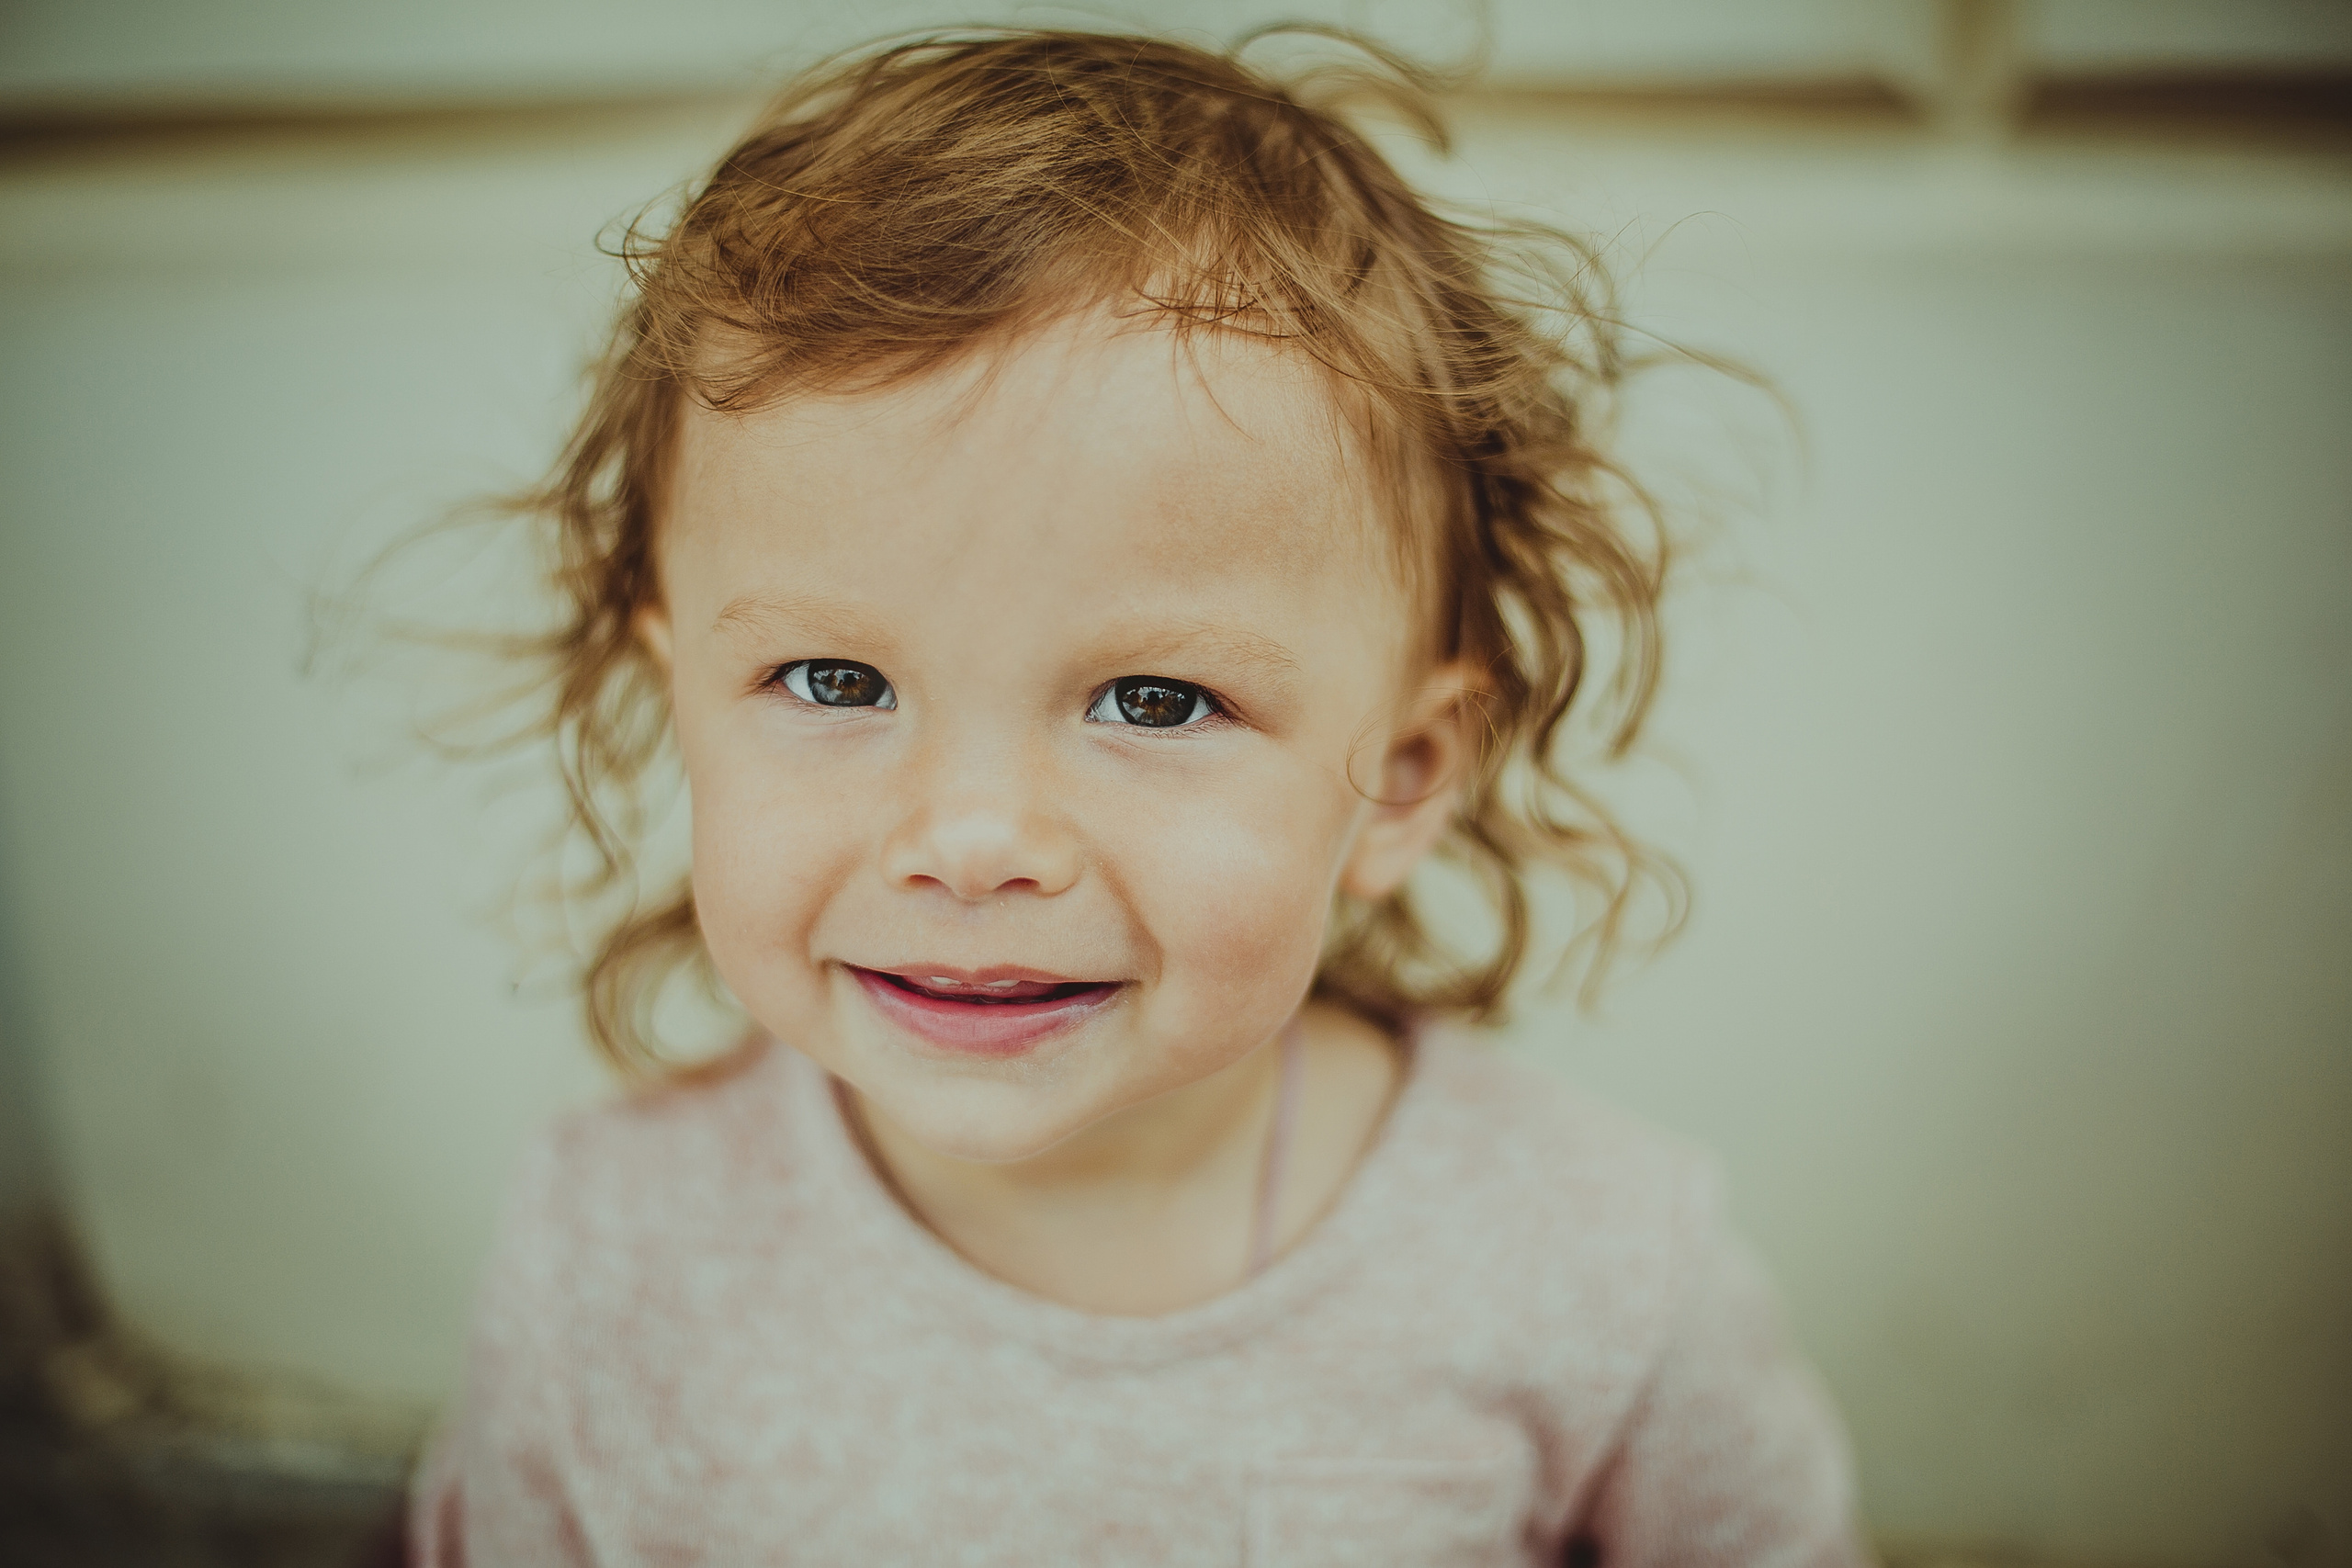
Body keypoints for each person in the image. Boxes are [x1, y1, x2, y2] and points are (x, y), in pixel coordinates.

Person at [409, 28, 1868, 1566]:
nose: (972, 841)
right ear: (677, 706)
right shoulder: (607, 1259)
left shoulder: (1595, 1277)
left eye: (1155, 702)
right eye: (834, 683)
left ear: (1403, 778)